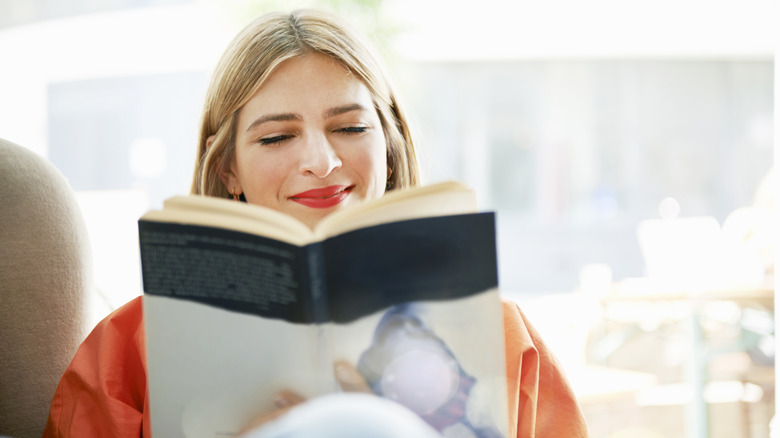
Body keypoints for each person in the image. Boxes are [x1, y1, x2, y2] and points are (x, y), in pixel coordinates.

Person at [43, 9, 588, 438]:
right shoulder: (126, 351)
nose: (322, 162)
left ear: (391, 146)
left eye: (349, 127)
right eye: (277, 137)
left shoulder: (501, 337)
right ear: (227, 165)